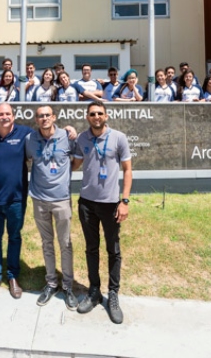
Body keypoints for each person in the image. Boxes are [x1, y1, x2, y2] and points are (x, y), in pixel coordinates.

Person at [72, 102, 132, 325]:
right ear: (87, 117)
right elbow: (75, 164)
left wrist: (124, 201)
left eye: (99, 113)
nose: (96, 117)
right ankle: (94, 291)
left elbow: (127, 170)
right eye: (92, 114)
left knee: (113, 249)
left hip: (110, 204)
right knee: (91, 248)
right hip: (87, 203)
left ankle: (113, 295)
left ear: (106, 115)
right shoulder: (82, 138)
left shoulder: (119, 138)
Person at [0, 103, 36, 301]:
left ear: (13, 115)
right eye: (0, 114)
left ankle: (12, 276)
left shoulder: (25, 133)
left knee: (14, 237)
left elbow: (48, 135)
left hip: (16, 199)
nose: (4, 117)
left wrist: (69, 131)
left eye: (7, 113)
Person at [25, 105, 78, 310]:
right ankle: (51, 283)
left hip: (62, 199)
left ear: (53, 117)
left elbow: (78, 158)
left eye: (48, 115)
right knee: (47, 242)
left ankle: (68, 286)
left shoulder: (67, 136)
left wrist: (64, 175)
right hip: (39, 199)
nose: (44, 118)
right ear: (36, 119)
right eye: (40, 116)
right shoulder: (30, 140)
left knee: (65, 243)